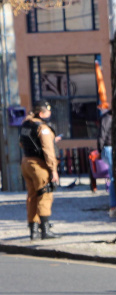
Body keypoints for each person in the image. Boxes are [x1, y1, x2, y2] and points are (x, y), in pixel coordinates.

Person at [19, 100, 60, 240]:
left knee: (32, 197)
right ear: (42, 113)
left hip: (26, 162)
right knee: (45, 194)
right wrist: (53, 170)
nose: (49, 114)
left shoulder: (25, 124)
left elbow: (21, 143)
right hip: (39, 165)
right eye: (48, 112)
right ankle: (45, 230)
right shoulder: (42, 128)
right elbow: (48, 150)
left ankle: (33, 230)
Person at [97, 104, 116, 218]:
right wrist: (100, 149)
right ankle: (113, 206)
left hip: (113, 147)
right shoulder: (107, 118)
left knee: (114, 176)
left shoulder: (111, 117)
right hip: (109, 147)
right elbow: (102, 134)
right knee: (113, 177)